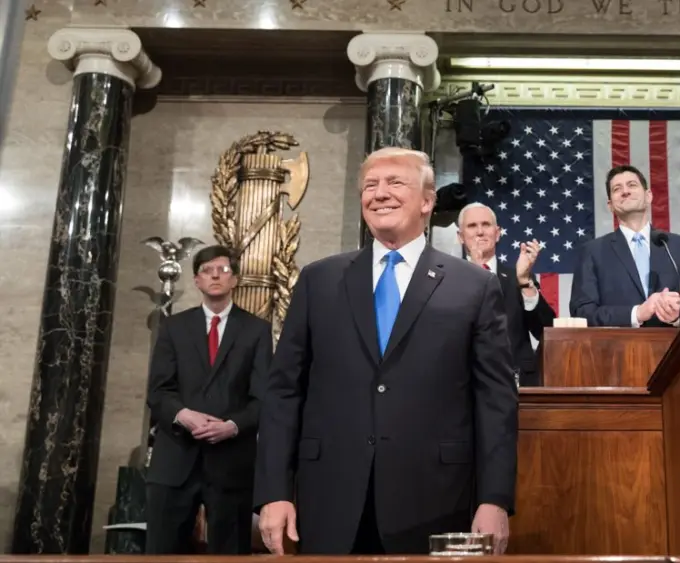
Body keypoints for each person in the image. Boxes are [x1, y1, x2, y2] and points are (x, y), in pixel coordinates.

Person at [254, 147, 518, 555]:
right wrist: (274, 492)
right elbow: (284, 392)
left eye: (395, 182)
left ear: (428, 201)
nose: (380, 193)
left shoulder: (474, 287)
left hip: (435, 500)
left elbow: (495, 400)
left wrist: (494, 499)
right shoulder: (318, 280)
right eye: (370, 185)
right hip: (328, 497)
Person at [145, 245, 273, 554]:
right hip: (175, 459)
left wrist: (232, 426)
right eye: (207, 271)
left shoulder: (257, 330)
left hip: (231, 462)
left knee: (230, 553)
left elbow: (264, 398)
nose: (215, 276)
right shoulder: (173, 328)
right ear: (197, 280)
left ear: (235, 279)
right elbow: (158, 392)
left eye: (223, 270)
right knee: (161, 552)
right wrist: (184, 415)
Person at [569, 165, 680, 327]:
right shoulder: (592, 252)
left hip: (676, 348)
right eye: (617, 189)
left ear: (648, 196)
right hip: (616, 350)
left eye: (632, 185)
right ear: (610, 205)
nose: (625, 191)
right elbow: (582, 312)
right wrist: (637, 313)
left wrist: (679, 315)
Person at [456, 202, 555, 387]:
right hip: (463, 382)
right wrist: (475, 277)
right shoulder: (449, 278)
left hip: (515, 382)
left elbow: (546, 330)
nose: (480, 232)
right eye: (472, 226)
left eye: (486, 225)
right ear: (460, 236)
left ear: (498, 233)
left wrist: (525, 282)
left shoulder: (518, 277)